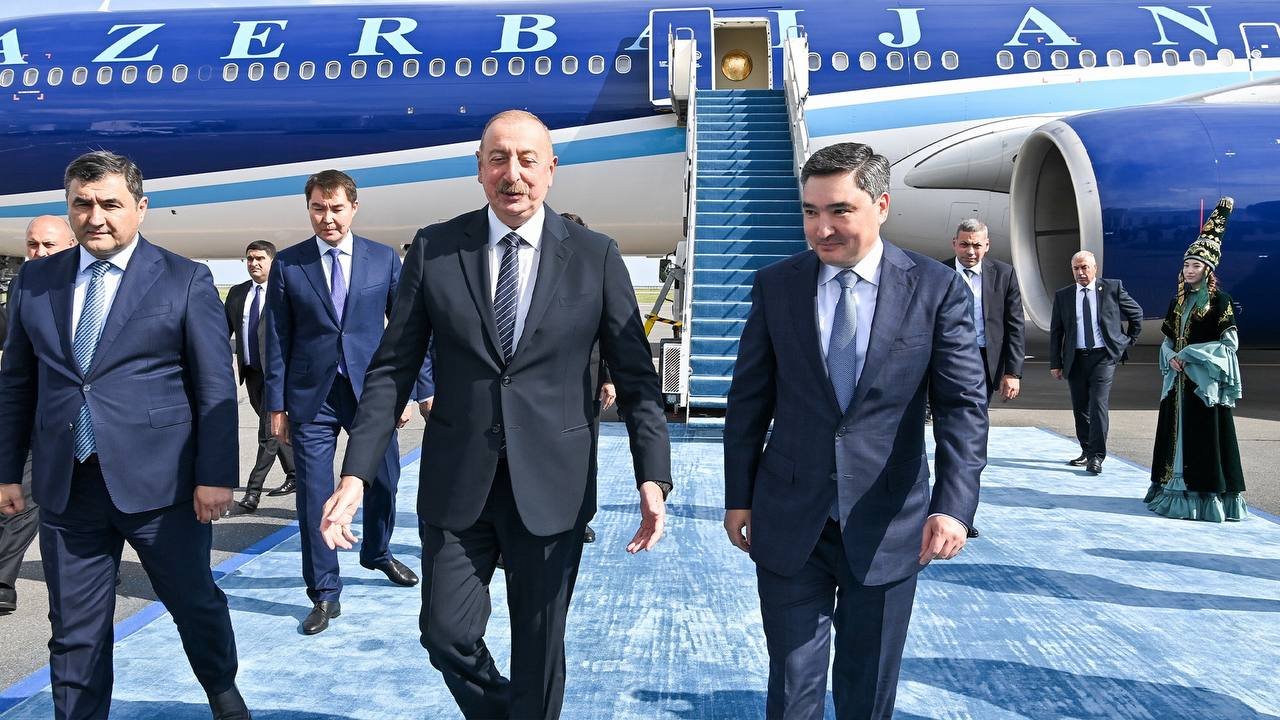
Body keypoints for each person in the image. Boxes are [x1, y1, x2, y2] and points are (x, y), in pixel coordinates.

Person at [320, 109, 671, 720]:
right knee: (445, 634)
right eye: (499, 159)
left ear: (551, 169)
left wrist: (653, 476)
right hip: (459, 482)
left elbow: (639, 380)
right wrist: (356, 475)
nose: (514, 174)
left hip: (554, 484)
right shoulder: (435, 248)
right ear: (479, 169)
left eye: (528, 160)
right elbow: (392, 370)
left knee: (540, 647)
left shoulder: (595, 256)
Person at [723, 142, 986, 719]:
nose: (822, 229)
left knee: (867, 690)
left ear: (882, 205)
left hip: (889, 522)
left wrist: (953, 506)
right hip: (791, 518)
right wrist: (738, 496)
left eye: (840, 210)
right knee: (792, 689)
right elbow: (748, 403)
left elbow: (963, 407)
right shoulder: (776, 286)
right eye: (810, 211)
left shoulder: (936, 288)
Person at [0, 151, 249, 719]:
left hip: (164, 489)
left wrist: (215, 476)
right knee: (74, 629)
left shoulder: (185, 278)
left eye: (110, 204)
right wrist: (7, 471)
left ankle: (222, 691)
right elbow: (17, 383)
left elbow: (214, 385)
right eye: (82, 205)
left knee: (194, 603)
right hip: (68, 487)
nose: (96, 218)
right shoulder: (36, 281)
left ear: (140, 207)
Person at [263, 170, 431, 635]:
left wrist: (411, 390)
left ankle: (376, 551)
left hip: (372, 393)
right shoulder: (289, 264)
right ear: (309, 209)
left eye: (336, 208)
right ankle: (324, 591)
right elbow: (276, 337)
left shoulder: (383, 258)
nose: (327, 218)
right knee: (315, 495)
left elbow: (408, 330)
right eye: (318, 208)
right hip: (311, 397)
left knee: (385, 481)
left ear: (353, 208)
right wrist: (275, 405)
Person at [1145, 197, 1247, 521]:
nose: (1189, 270)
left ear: (1208, 269)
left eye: (1196, 266)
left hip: (1203, 385)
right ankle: (1170, 491)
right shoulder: (1177, 302)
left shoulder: (1220, 301)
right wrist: (1170, 355)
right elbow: (1167, 339)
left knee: (1204, 438)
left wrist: (1190, 355)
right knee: (1174, 436)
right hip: (1177, 383)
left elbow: (1229, 344)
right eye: (1187, 265)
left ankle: (1205, 498)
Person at [0, 216, 77, 615]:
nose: (39, 252)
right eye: (33, 245)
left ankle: (102, 566)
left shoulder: (90, 283)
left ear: (71, 245)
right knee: (21, 497)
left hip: (84, 419)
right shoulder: (22, 284)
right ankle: (3, 582)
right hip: (34, 412)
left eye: (49, 245)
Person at [1048, 250, 1143, 475]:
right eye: (1076, 268)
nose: (1080, 272)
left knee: (1098, 405)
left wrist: (1126, 341)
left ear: (1094, 268)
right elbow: (1056, 332)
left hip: (1103, 357)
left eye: (1085, 267)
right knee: (1080, 408)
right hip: (1076, 358)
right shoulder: (1064, 295)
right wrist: (1056, 363)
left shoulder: (1112, 288)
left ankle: (1097, 456)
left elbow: (1136, 313)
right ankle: (1086, 450)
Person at [224, 241, 296, 511]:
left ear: (272, 262)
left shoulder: (284, 291)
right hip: (252, 373)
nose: (253, 263)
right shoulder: (237, 293)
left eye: (259, 259)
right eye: (249, 259)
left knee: (267, 435)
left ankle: (252, 493)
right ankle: (295, 474)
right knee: (275, 430)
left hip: (278, 376)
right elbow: (222, 332)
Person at [562, 210, 616, 545]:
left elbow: (609, 334)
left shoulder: (595, 276)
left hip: (587, 385)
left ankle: (581, 518)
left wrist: (608, 378)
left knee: (584, 456)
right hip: (546, 387)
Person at [942, 218, 1025, 402]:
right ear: (954, 243)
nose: (970, 251)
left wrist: (1012, 372)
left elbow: (1015, 326)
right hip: (948, 357)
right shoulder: (939, 273)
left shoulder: (1004, 274)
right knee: (950, 413)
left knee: (978, 412)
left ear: (987, 245)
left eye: (977, 245)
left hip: (985, 360)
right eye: (964, 244)